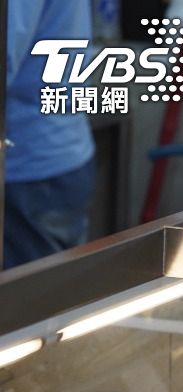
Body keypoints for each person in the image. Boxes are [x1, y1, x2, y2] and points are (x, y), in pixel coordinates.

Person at [4, 0, 96, 269]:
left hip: (28, 169)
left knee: (32, 303)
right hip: (59, 149)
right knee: (55, 297)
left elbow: (4, 57)